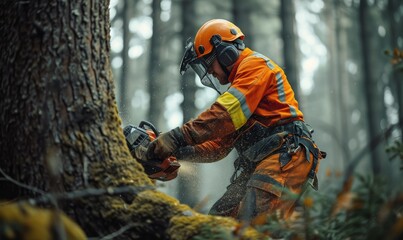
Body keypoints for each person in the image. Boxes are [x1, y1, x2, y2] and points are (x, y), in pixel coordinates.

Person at [135, 19, 326, 221]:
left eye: (208, 64)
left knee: (252, 222)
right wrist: (177, 150)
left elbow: (222, 115)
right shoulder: (241, 92)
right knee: (221, 219)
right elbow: (218, 146)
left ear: (226, 53)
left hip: (286, 155)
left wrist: (176, 137)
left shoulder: (255, 66)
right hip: (263, 160)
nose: (209, 72)